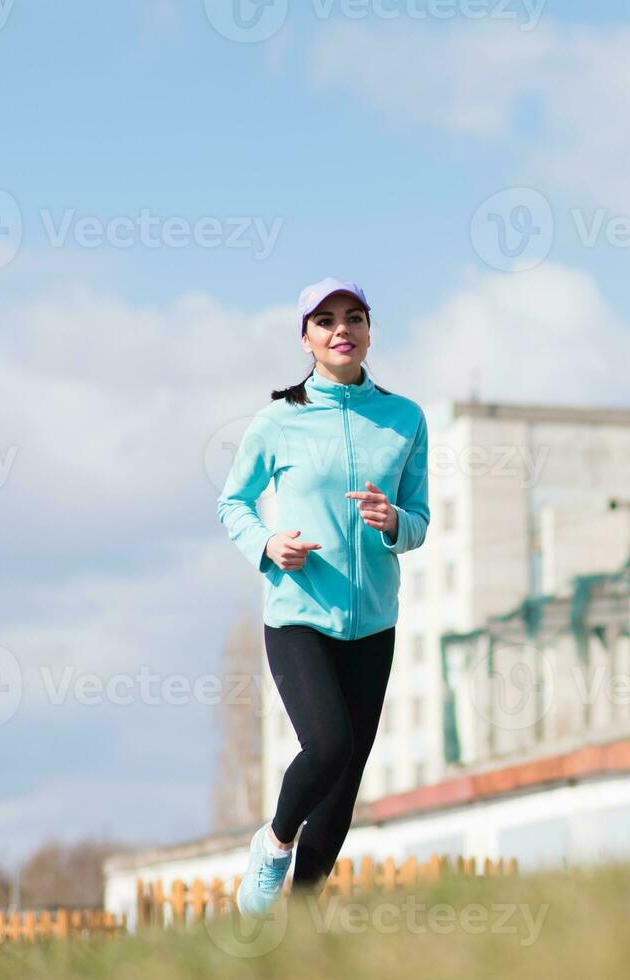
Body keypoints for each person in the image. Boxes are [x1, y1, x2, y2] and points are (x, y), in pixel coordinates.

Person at [216, 277, 430, 918]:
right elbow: (233, 501)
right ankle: (275, 842)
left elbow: (419, 519)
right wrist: (266, 544)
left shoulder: (405, 418)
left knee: (346, 780)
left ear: (369, 331)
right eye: (327, 320)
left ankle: (302, 919)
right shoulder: (278, 419)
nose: (343, 329)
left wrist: (393, 520)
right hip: (299, 617)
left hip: (373, 623)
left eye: (354, 317)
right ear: (306, 338)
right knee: (329, 744)